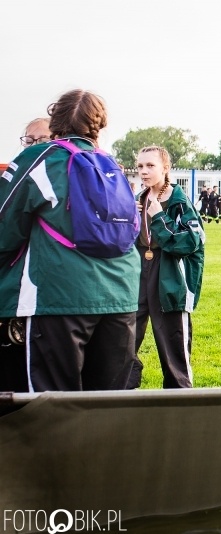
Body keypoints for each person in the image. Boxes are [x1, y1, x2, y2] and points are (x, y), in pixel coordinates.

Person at [0, 89, 139, 391]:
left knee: (53, 406)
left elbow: (4, 225)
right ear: (99, 124)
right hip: (121, 297)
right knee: (107, 405)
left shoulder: (39, 158)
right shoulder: (111, 164)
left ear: (55, 120)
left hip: (58, 298)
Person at [127, 146, 204, 389]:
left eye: (150, 166)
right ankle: (122, 393)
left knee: (173, 344)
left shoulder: (179, 201)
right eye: (140, 166)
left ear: (165, 168)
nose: (144, 171)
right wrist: (129, 217)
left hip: (170, 275)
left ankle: (179, 400)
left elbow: (191, 243)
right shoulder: (138, 199)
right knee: (125, 339)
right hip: (137, 274)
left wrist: (159, 216)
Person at [0, 118, 53, 392]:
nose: (32, 146)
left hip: (32, 293)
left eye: (40, 140)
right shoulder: (15, 177)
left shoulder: (55, 179)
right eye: (28, 141)